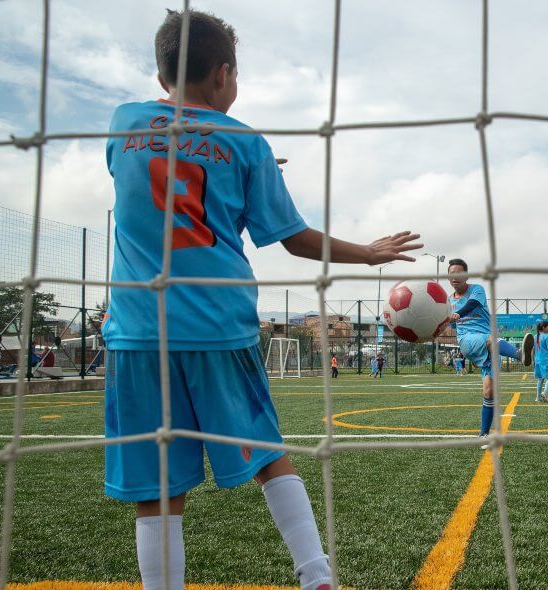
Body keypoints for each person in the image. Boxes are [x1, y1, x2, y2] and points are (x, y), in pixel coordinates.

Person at [102, 10, 421, 590]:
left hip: (137, 331)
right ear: (223, 74)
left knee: (157, 486)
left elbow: (167, 166)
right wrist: (369, 253)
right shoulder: (245, 142)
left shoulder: (122, 124)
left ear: (160, 76)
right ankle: (316, 574)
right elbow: (296, 240)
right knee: (270, 451)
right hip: (218, 323)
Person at [447, 259, 530, 439]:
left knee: (489, 392)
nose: (455, 277)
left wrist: (458, 314)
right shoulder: (447, 301)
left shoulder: (476, 290)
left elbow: (473, 305)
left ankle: (483, 434)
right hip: (468, 340)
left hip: (491, 344)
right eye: (451, 273)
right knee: (491, 339)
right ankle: (519, 354)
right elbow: (453, 327)